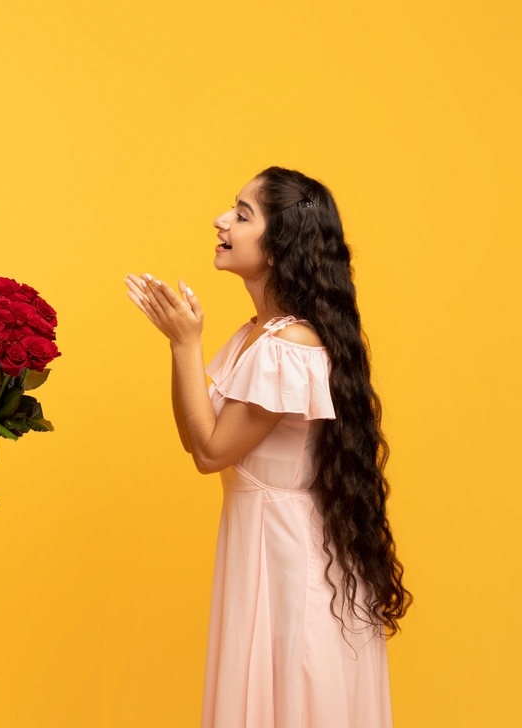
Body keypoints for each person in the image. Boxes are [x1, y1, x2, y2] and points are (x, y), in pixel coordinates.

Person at [125, 167, 410, 728]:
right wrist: (180, 345)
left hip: (288, 566)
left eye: (241, 213)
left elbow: (210, 454)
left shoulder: (290, 347)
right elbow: (195, 435)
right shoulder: (256, 334)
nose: (221, 220)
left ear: (280, 247)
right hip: (261, 552)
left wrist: (186, 343)